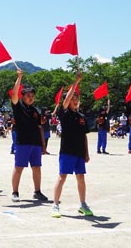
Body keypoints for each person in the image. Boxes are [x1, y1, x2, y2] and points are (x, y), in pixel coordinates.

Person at [51, 71, 93, 218]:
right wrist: (76, 82)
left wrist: (86, 153)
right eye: (72, 98)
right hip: (67, 151)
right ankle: (55, 205)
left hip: (79, 152)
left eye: (77, 98)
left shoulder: (81, 117)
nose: (75, 100)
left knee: (81, 177)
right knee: (62, 176)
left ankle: (83, 204)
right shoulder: (64, 114)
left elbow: (84, 136)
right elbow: (66, 101)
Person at [10, 69, 48, 203]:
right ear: (23, 96)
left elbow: (39, 128)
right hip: (23, 142)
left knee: (36, 167)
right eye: (28, 95)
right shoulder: (18, 106)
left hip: (35, 144)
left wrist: (43, 145)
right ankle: (15, 192)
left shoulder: (35, 111)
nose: (31, 97)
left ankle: (37, 192)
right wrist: (19, 78)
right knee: (19, 167)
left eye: (33, 95)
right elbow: (14, 95)